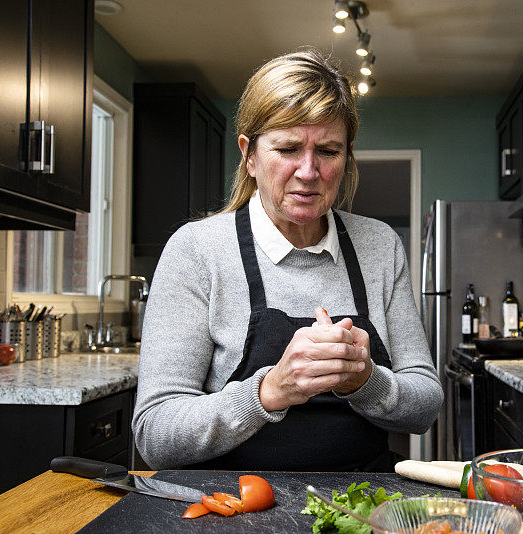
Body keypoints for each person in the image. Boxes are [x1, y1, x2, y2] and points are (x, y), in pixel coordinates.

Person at [132, 49, 443, 472]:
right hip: (230, 507)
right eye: (288, 148)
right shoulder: (197, 251)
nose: (309, 171)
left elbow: (425, 407)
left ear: (347, 155)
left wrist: (366, 381)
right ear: (249, 155)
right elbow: (155, 435)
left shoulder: (380, 245)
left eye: (329, 151)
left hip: (363, 504)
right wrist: (268, 392)